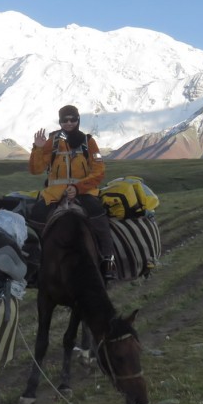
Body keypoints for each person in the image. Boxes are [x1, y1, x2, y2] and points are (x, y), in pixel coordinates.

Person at [28, 104, 116, 280]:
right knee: (35, 216)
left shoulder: (88, 142)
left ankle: (108, 258)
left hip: (84, 191)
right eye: (64, 120)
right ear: (60, 121)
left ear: (78, 120)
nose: (69, 123)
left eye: (72, 119)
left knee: (98, 215)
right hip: (54, 193)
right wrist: (37, 148)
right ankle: (34, 261)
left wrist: (78, 188)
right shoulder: (51, 142)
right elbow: (36, 169)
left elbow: (99, 171)